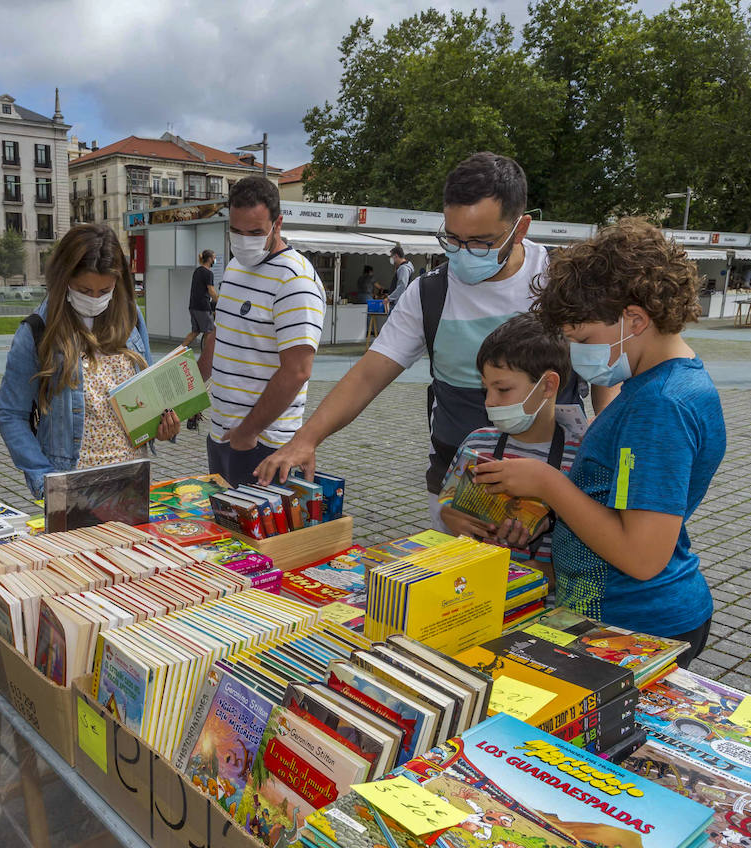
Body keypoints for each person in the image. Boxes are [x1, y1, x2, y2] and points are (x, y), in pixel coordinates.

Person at [255, 152, 611, 518]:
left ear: (519, 229)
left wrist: (612, 438)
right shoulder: (429, 293)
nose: (463, 253)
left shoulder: (563, 281)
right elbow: (367, 375)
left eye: (481, 242)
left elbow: (604, 372)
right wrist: (307, 438)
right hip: (457, 482)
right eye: (452, 239)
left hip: (556, 480)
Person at [472, 219, 726, 665]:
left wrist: (548, 484)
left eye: (584, 338)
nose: (576, 353)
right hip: (618, 613)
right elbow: (615, 500)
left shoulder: (659, 406)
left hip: (638, 624)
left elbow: (643, 556)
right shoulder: (657, 386)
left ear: (635, 319)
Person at [0, 223, 179, 498]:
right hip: (73, 490)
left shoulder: (130, 318)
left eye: (105, 291)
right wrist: (44, 479)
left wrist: (162, 427)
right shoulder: (38, 331)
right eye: (84, 289)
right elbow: (10, 413)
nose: (95, 299)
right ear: (64, 278)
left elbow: (147, 394)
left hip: (131, 481)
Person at [197, 175, 326, 486]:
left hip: (264, 444)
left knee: (254, 535)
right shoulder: (234, 267)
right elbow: (220, 335)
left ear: (277, 223)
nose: (244, 241)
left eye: (255, 232)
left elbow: (297, 371)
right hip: (222, 432)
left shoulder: (295, 281)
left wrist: (248, 431)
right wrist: (184, 391)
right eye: (236, 231)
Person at [437, 314, 581, 584]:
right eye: (485, 388)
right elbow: (447, 507)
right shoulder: (477, 443)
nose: (489, 402)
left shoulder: (580, 458)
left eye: (502, 389)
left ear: (548, 385)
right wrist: (451, 517)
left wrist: (544, 568)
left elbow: (593, 541)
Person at [182, 249, 219, 429]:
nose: (215, 259)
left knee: (195, 330)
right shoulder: (208, 272)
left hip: (193, 306)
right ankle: (207, 355)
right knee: (211, 332)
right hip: (203, 307)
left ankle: (179, 350)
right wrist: (220, 301)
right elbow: (211, 291)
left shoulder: (197, 271)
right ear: (210, 259)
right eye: (214, 257)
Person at [385, 245, 413, 311]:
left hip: (398, 304)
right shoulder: (405, 267)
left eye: (392, 256)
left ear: (396, 256)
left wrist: (389, 298)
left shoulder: (403, 268)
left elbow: (402, 286)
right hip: (400, 303)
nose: (391, 259)